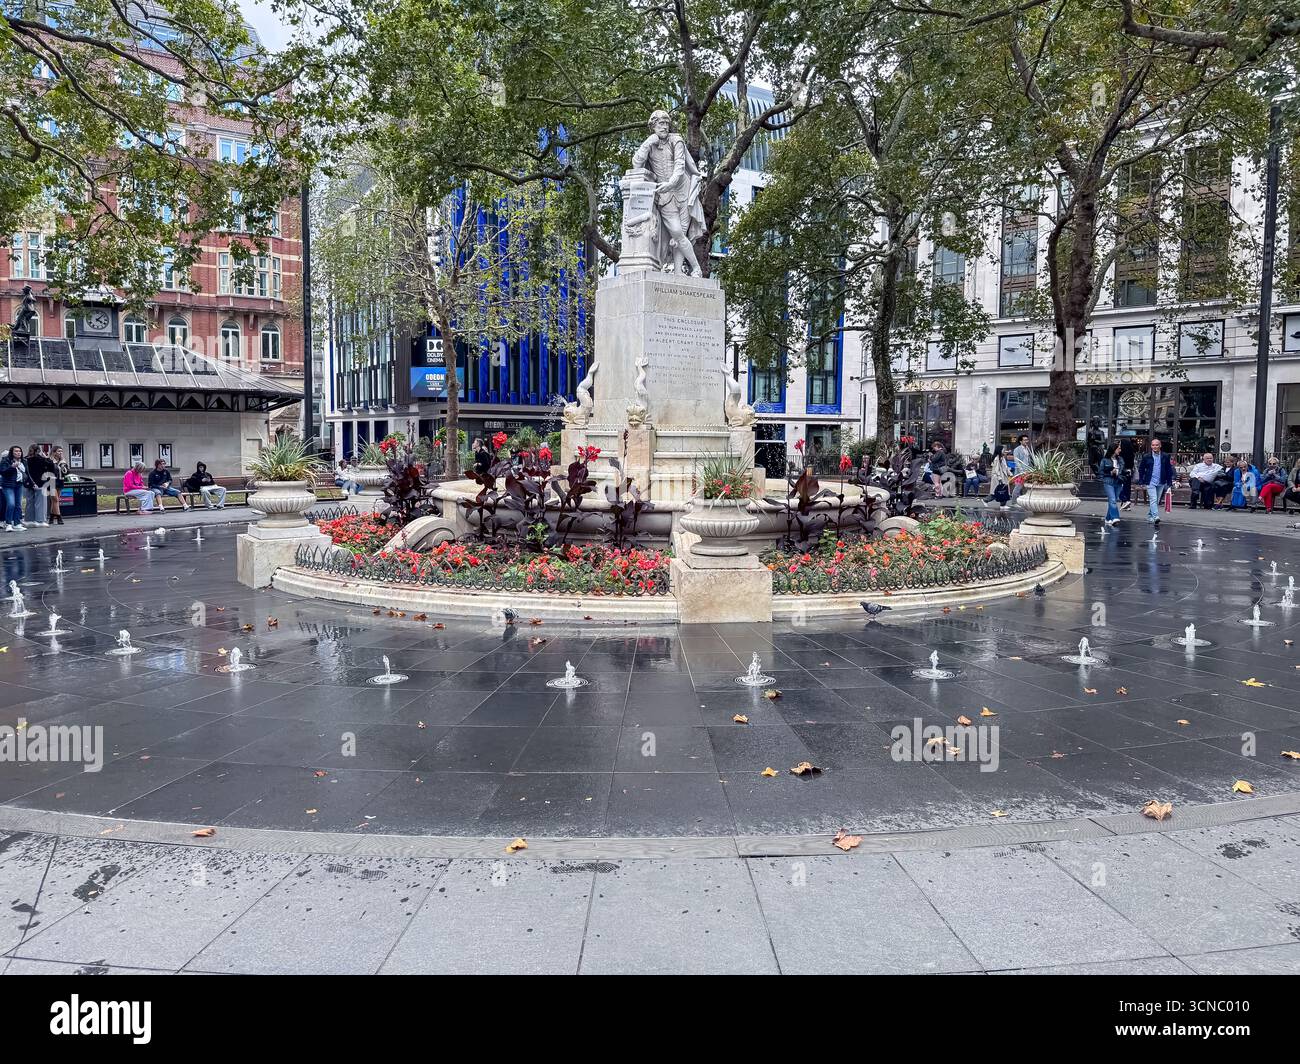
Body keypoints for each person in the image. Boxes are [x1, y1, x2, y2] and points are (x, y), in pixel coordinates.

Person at [1138, 437, 1174, 525]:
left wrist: (1169, 482)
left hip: (1161, 481)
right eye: (1153, 445)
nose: (1155, 447)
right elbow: (1141, 469)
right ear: (1151, 446)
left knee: (1156, 500)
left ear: (1160, 446)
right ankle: (1156, 516)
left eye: (1157, 445)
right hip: (1150, 481)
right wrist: (1141, 480)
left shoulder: (1165, 456)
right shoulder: (1146, 456)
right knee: (1153, 499)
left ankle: (1150, 516)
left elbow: (1168, 469)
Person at [1, 445, 32, 531]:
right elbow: (2, 472)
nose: (18, 453)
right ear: (12, 452)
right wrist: (12, 467)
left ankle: (17, 523)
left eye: (19, 451)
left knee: (18, 505)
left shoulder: (24, 461)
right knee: (11, 504)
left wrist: (32, 483)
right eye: (16, 451)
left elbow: (27, 473)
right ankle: (8, 524)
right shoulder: (6, 460)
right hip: (8, 485)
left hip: (19, 484)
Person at [24, 445, 53, 526]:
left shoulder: (26, 459)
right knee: (40, 502)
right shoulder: (42, 459)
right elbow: (51, 467)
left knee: (30, 502)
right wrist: (47, 458)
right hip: (40, 482)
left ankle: (29, 520)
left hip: (29, 483)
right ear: (38, 451)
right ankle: (40, 520)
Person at [1099, 442, 1126, 526]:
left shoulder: (1120, 459)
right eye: (1119, 448)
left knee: (1113, 501)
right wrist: (1110, 473)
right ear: (1114, 449)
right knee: (1113, 500)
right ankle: (1115, 517)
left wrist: (1123, 473)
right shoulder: (1104, 460)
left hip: (1118, 482)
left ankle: (1108, 518)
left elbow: (1122, 470)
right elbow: (1100, 472)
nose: (1120, 450)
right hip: (1108, 481)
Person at [1010, 434, 1032, 506]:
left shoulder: (1028, 448)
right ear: (1020, 441)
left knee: (1025, 487)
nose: (1026, 441)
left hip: (1028, 471)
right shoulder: (1017, 449)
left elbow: (1029, 460)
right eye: (1025, 440)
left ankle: (1022, 502)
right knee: (1018, 487)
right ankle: (1014, 502)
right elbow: (1017, 461)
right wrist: (1021, 471)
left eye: (1027, 440)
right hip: (1020, 472)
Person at [988, 444, 1013, 510]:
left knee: (1003, 491)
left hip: (1003, 476)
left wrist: (1010, 473)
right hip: (999, 477)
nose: (1004, 450)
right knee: (999, 491)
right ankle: (986, 500)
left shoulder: (1002, 457)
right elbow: (996, 469)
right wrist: (999, 478)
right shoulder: (997, 458)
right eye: (1003, 449)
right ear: (999, 450)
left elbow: (1005, 467)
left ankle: (1003, 505)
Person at [48, 446, 68, 525]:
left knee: (54, 501)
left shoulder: (62, 461)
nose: (60, 453)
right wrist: (55, 463)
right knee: (56, 500)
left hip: (60, 481)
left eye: (61, 451)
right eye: (59, 451)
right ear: (54, 452)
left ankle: (51, 517)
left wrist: (63, 464)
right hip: (51, 481)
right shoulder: (50, 461)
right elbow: (50, 470)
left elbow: (66, 472)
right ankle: (59, 517)